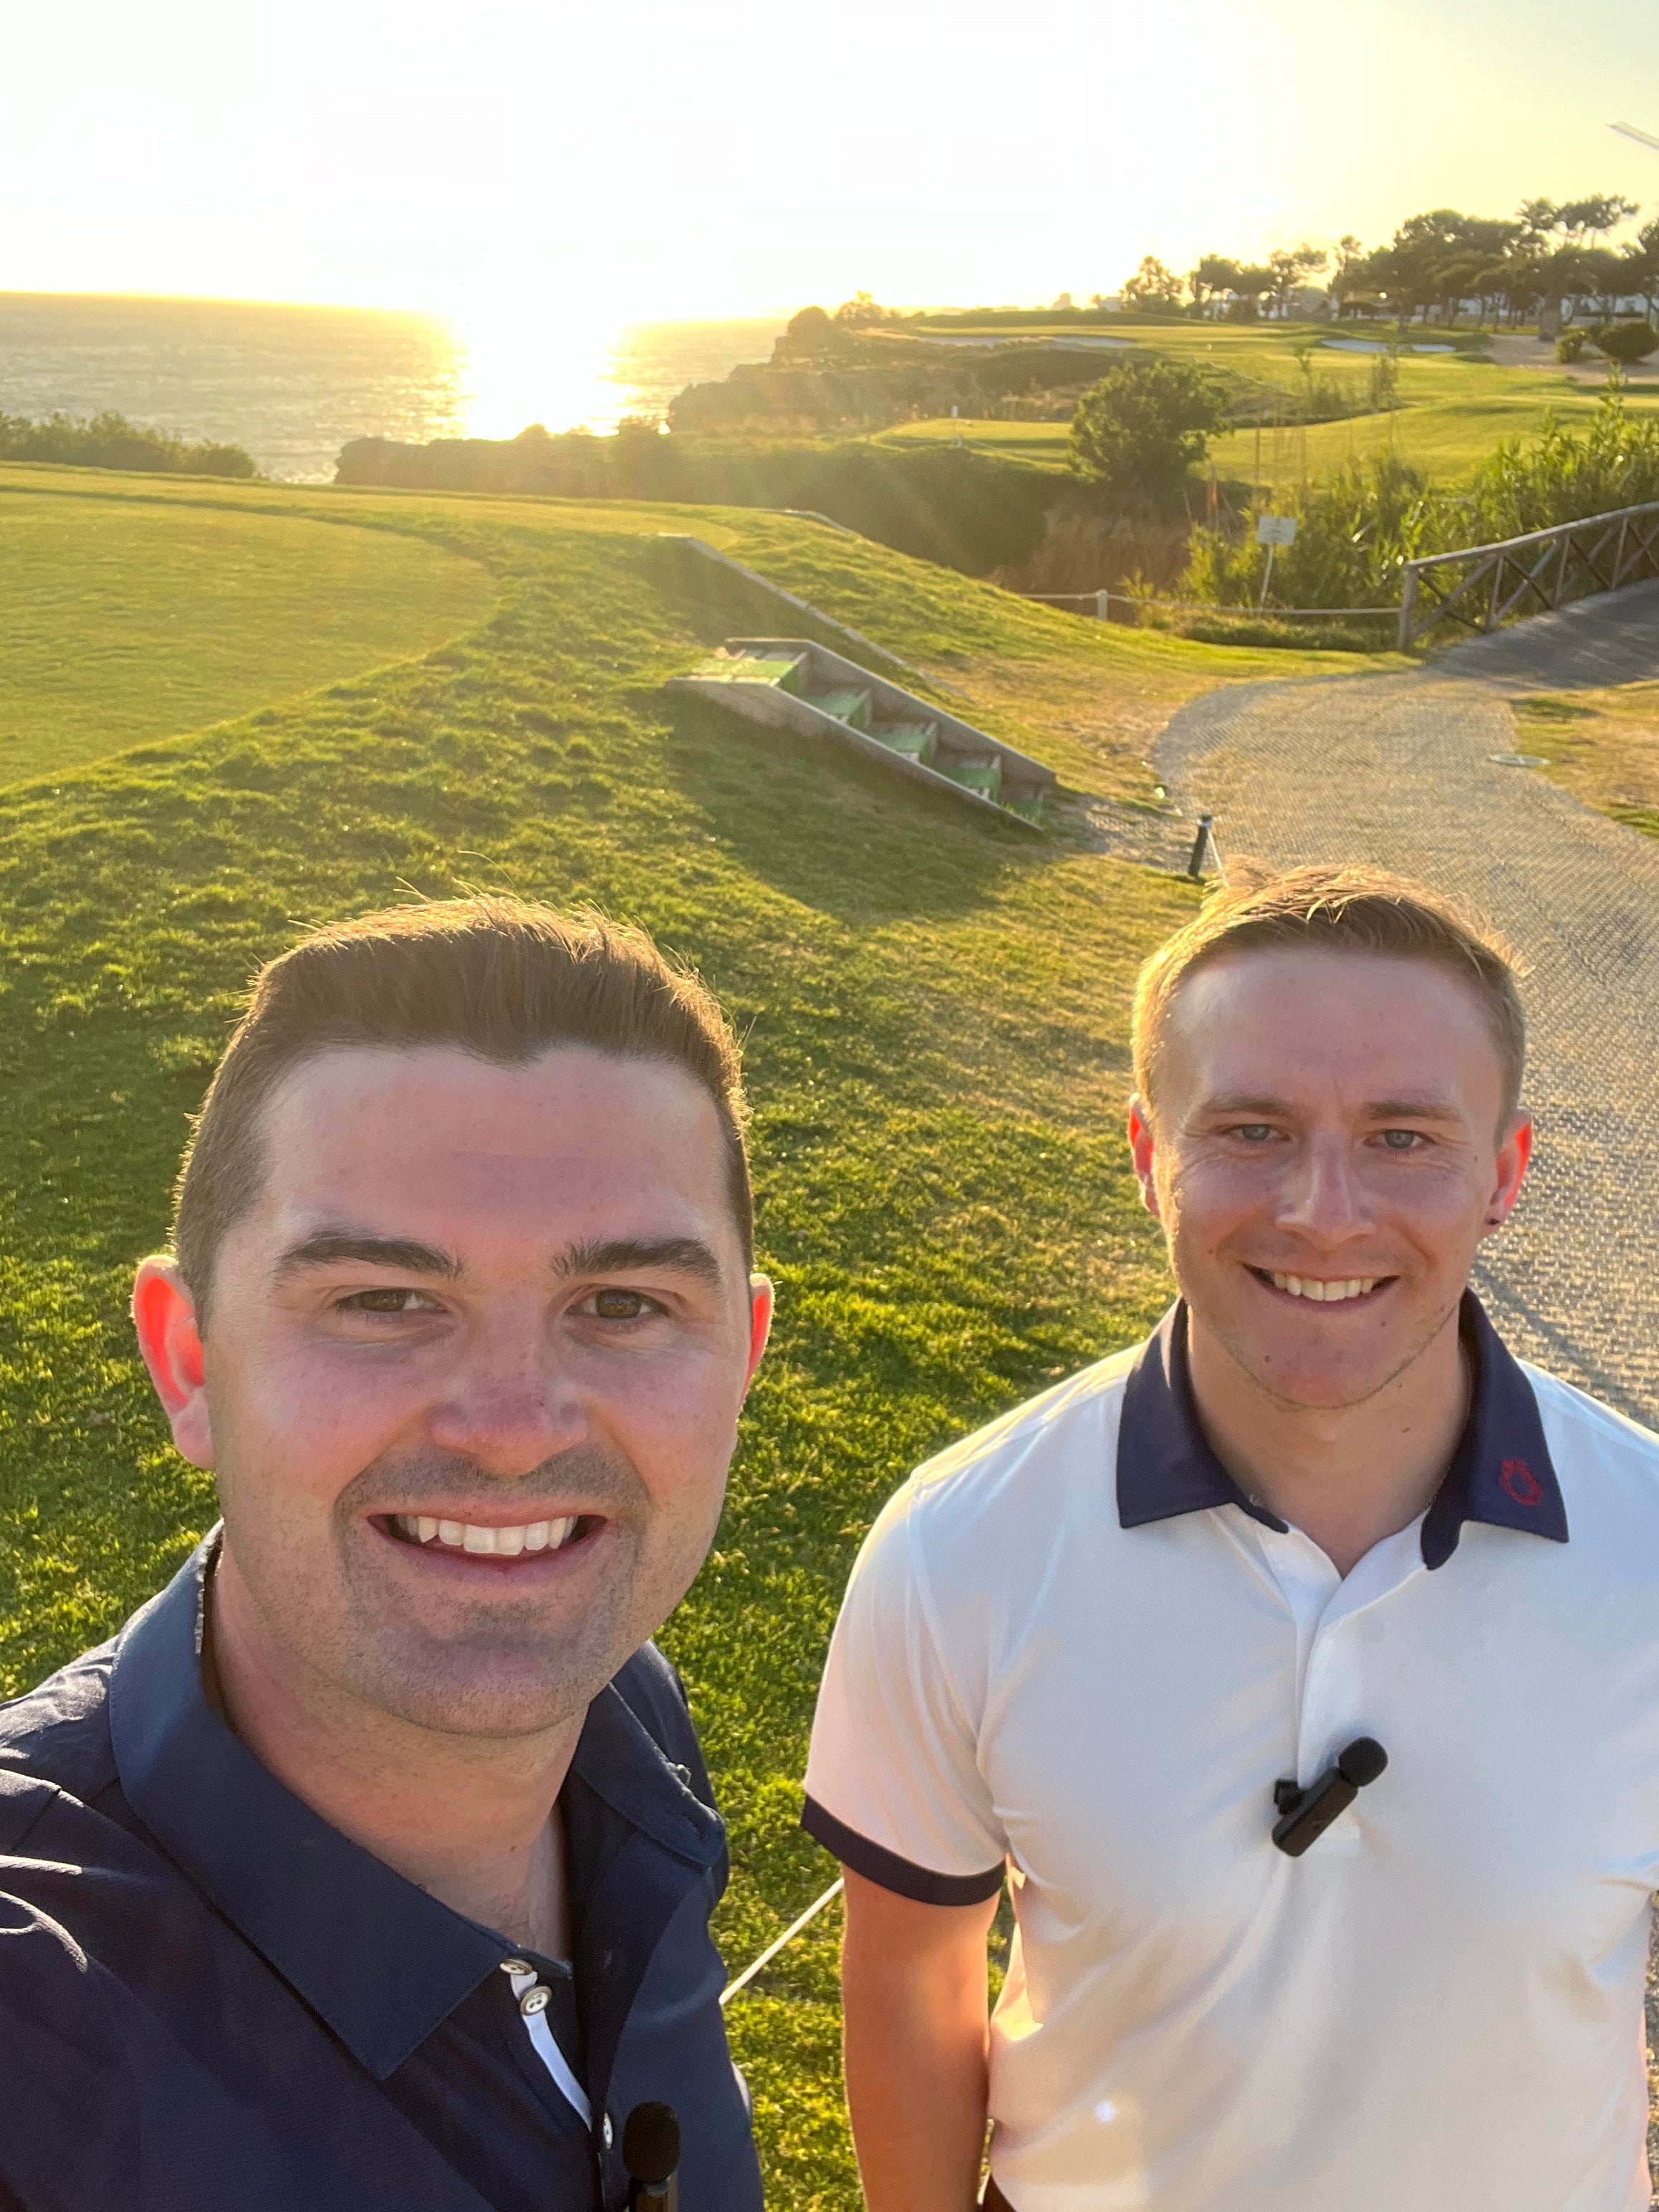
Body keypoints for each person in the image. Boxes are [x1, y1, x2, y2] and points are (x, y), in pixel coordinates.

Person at [802, 863, 1659, 2212]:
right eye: (1252, 1130)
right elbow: (911, 1975)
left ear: (1506, 1173)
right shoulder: (957, 1548)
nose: (1326, 1211)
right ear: (1150, 1158)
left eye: (1404, 1137)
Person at [0, 898, 773, 2212]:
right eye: (384, 1302)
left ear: (744, 1357)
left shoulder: (627, 1720)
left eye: (626, 1305)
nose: (516, 1432)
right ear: (191, 1364)